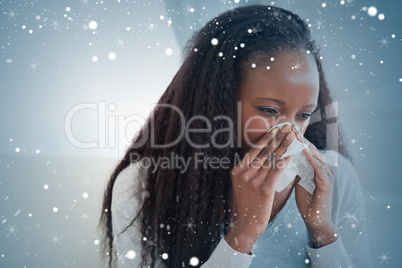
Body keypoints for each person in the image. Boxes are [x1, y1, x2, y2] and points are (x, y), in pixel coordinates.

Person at [98, 4, 372, 268]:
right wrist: (242, 236)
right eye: (268, 110)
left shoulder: (334, 177)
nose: (291, 135)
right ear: (217, 102)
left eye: (304, 115)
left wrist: (323, 233)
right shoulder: (142, 186)